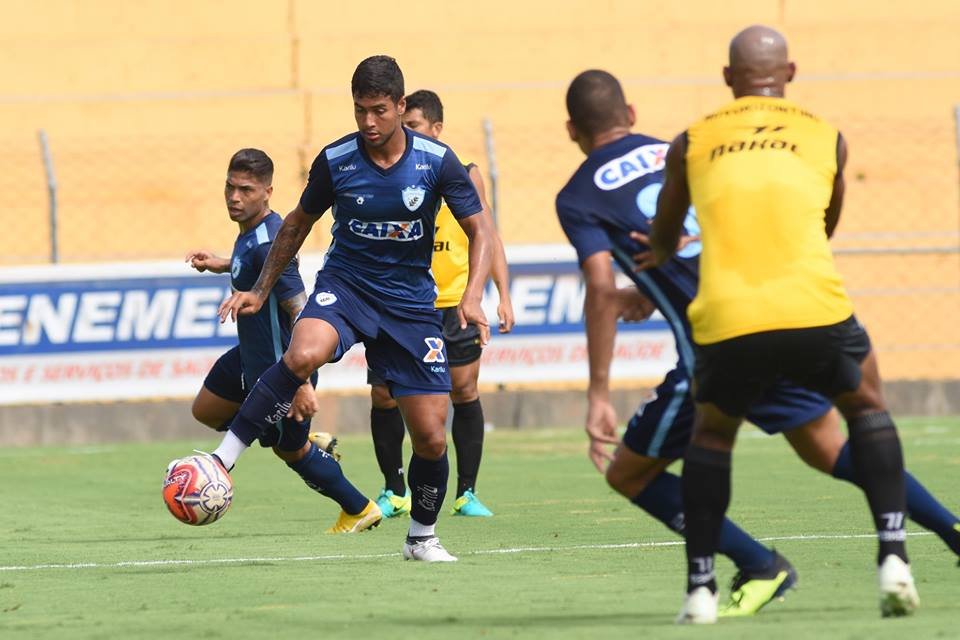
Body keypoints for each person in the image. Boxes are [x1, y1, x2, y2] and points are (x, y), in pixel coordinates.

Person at [558, 67, 954, 620]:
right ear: (631, 116)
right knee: (830, 446)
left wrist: (598, 390)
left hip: (716, 341)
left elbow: (600, 288)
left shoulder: (577, 196)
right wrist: (654, 285)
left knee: (628, 471)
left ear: (572, 129)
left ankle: (757, 565)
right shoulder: (686, 148)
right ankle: (951, 528)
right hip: (779, 311)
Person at [646, 26, 919, 623]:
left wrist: (659, 254)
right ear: (789, 74)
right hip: (813, 308)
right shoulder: (827, 137)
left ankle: (700, 590)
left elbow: (666, 229)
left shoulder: (692, 139)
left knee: (713, 436)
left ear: (727, 80)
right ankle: (894, 557)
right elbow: (827, 221)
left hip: (730, 316)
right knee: (867, 406)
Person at [215, 56, 493, 563]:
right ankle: (222, 460)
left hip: (410, 303)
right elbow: (297, 223)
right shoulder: (337, 159)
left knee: (431, 437)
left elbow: (481, 229)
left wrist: (473, 295)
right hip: (348, 285)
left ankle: (421, 538)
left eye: (380, 111)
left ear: (400, 106)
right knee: (304, 352)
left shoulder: (437, 160)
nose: (369, 122)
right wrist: (259, 287)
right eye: (361, 110)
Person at [184, 148, 378, 534]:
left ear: (267, 192)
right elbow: (252, 266)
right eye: (230, 187)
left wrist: (301, 382)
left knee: (290, 451)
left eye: (246, 190)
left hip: (279, 367)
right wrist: (221, 262)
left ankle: (359, 508)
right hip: (247, 356)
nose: (234, 197)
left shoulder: (271, 242)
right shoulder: (250, 233)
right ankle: (291, 434)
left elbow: (300, 311)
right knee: (205, 411)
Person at [367, 89, 514, 520]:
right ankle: (395, 491)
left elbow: (488, 234)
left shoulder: (465, 173)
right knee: (384, 394)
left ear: (436, 129)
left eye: (412, 126)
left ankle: (466, 492)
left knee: (463, 390)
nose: (405, 134)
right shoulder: (393, 170)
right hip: (402, 301)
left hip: (454, 304)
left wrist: (502, 294)